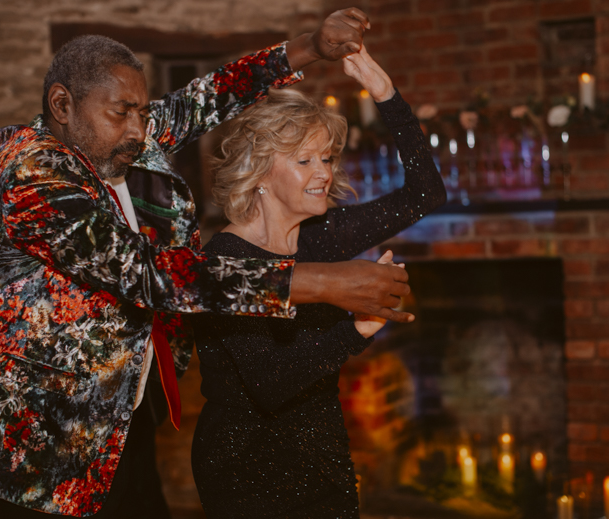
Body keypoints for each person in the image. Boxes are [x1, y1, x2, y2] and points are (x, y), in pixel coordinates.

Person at [0, 8, 416, 518]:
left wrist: (309, 46)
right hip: (39, 448)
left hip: (116, 422)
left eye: (142, 113)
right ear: (63, 105)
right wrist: (323, 282)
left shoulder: (118, 138)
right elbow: (146, 273)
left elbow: (208, 97)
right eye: (122, 113)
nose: (138, 130)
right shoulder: (30, 179)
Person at [189, 45, 447, 518]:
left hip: (323, 456)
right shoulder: (225, 260)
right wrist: (356, 330)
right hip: (248, 470)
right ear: (260, 171)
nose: (325, 174)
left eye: (327, 159)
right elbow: (270, 382)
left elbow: (426, 193)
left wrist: (386, 95)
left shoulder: (320, 236)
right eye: (305, 161)